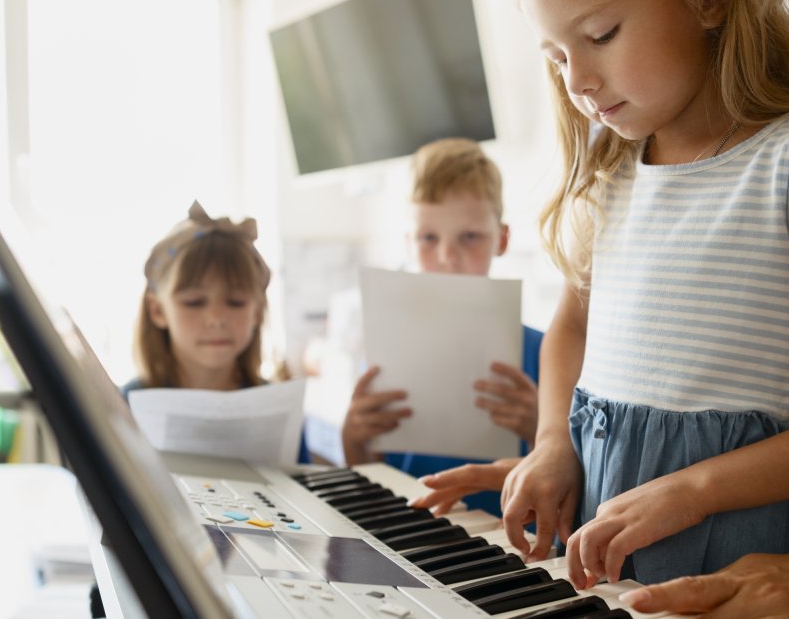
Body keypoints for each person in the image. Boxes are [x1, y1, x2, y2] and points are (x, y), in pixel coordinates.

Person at [495, 0, 789, 589]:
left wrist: (696, 491)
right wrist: (552, 442)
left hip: (742, 550)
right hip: (606, 559)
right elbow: (572, 328)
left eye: (601, 36)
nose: (577, 82)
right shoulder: (609, 167)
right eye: (557, 57)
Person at [339, 137, 543, 517]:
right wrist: (353, 437)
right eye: (428, 238)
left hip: (506, 547)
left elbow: (567, 488)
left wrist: (541, 433)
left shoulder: (548, 354)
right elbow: (367, 474)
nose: (448, 257)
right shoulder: (385, 349)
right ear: (407, 242)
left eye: (469, 237)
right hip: (408, 531)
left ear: (502, 239)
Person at [126, 200, 309, 463]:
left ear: (257, 311)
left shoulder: (279, 409)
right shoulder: (125, 407)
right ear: (157, 311)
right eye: (194, 302)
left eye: (235, 302)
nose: (216, 319)